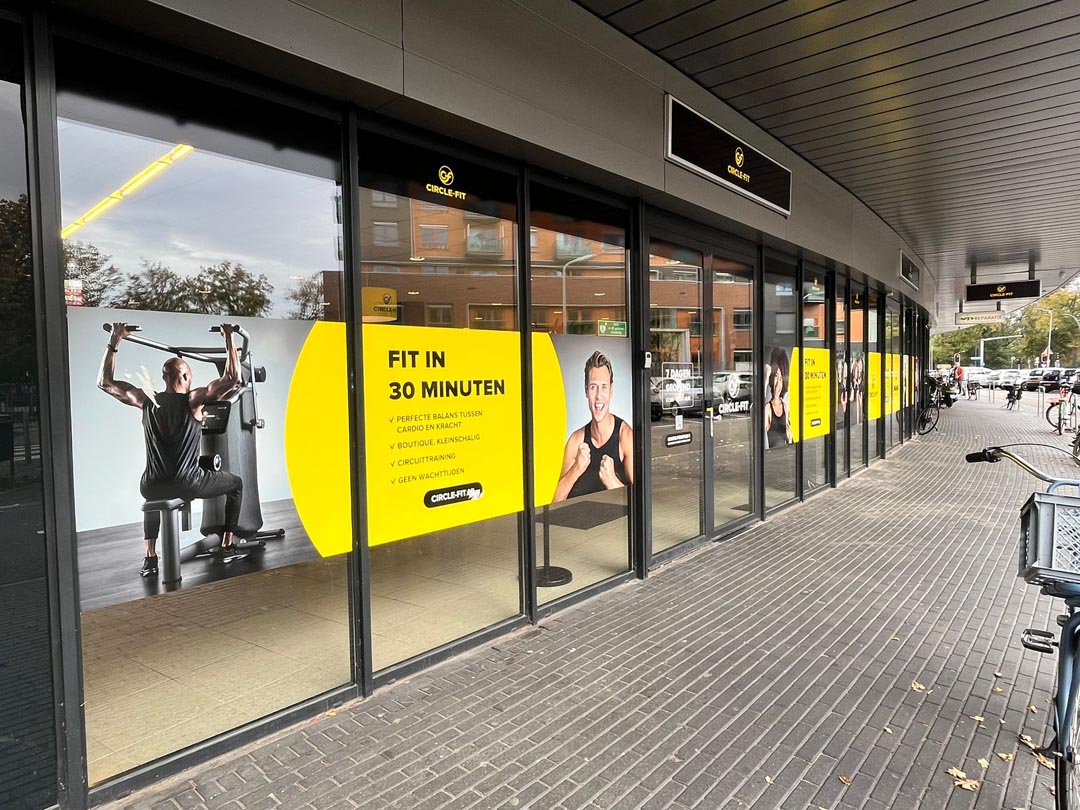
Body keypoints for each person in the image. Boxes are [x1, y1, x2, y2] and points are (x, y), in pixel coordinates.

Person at [98, 322, 248, 578]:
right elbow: (233, 379)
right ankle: (228, 545)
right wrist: (229, 337)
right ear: (187, 378)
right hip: (188, 484)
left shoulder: (146, 400)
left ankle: (150, 557)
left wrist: (115, 340)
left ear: (164, 377)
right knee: (236, 484)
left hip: (151, 485)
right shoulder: (194, 400)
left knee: (153, 497)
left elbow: (105, 382)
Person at [554, 350, 634, 502]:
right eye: (593, 387)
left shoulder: (626, 437)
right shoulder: (576, 441)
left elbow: (641, 503)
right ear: (586, 391)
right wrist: (576, 469)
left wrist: (613, 482)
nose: (598, 395)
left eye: (604, 387)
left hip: (615, 524)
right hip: (576, 522)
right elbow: (555, 502)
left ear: (611, 390)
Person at [764, 347, 793, 448]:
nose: (778, 383)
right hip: (773, 459)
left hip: (786, 456)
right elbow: (758, 417)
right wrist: (766, 378)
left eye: (781, 378)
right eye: (776, 376)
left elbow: (789, 437)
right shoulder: (767, 408)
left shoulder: (785, 406)